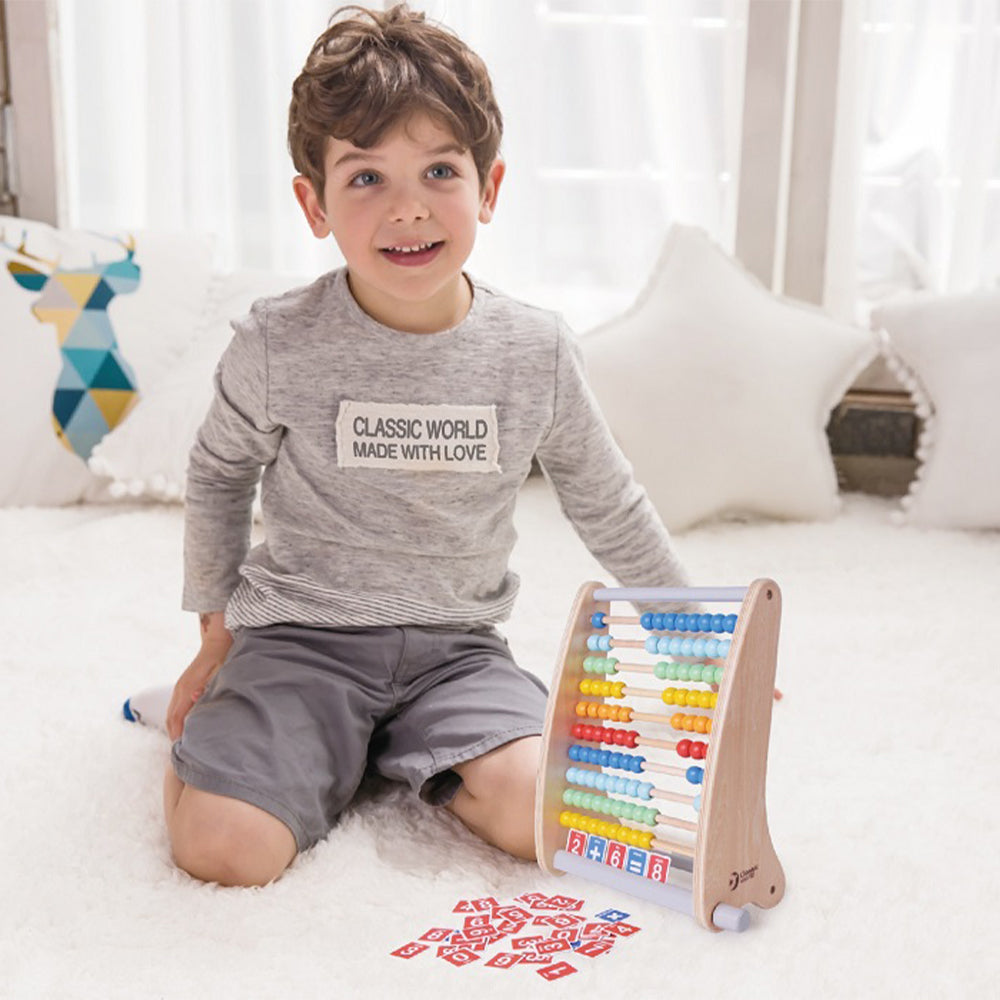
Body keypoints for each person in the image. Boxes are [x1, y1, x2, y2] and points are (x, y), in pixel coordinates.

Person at [162, 2, 689, 888]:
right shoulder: (276, 341)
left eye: (439, 170)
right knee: (226, 851)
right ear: (313, 203)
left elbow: (605, 495)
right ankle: (260, 738)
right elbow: (219, 474)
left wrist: (684, 627)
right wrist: (215, 632)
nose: (407, 209)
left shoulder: (536, 352)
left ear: (489, 187)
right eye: (365, 178)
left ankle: (385, 751)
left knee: (550, 815)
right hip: (300, 638)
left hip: (456, 649)